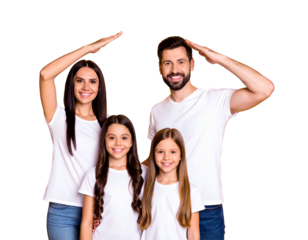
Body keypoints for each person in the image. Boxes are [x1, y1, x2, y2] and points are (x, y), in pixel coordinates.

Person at [141, 35, 277, 240]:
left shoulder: (215, 100)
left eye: (181, 62)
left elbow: (266, 89)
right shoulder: (156, 110)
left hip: (206, 209)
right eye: (167, 63)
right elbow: (152, 159)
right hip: (165, 206)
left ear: (193, 64)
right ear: (159, 68)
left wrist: (220, 59)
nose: (174, 69)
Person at [38, 30, 125, 240]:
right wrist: (88, 49)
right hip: (63, 212)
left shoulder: (110, 123)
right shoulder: (58, 117)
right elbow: (45, 74)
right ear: (71, 85)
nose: (86, 87)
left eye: (92, 81)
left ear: (100, 87)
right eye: (80, 80)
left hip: (100, 211)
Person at [79, 114, 147, 240]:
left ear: (132, 141)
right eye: (111, 138)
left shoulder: (145, 173)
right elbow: (87, 223)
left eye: (124, 138)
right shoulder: (93, 175)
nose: (118, 143)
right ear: (104, 141)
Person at [139, 128, 204, 240]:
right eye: (160, 152)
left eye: (173, 152)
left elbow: (193, 233)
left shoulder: (191, 191)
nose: (166, 157)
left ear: (181, 156)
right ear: (153, 154)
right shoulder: (144, 188)